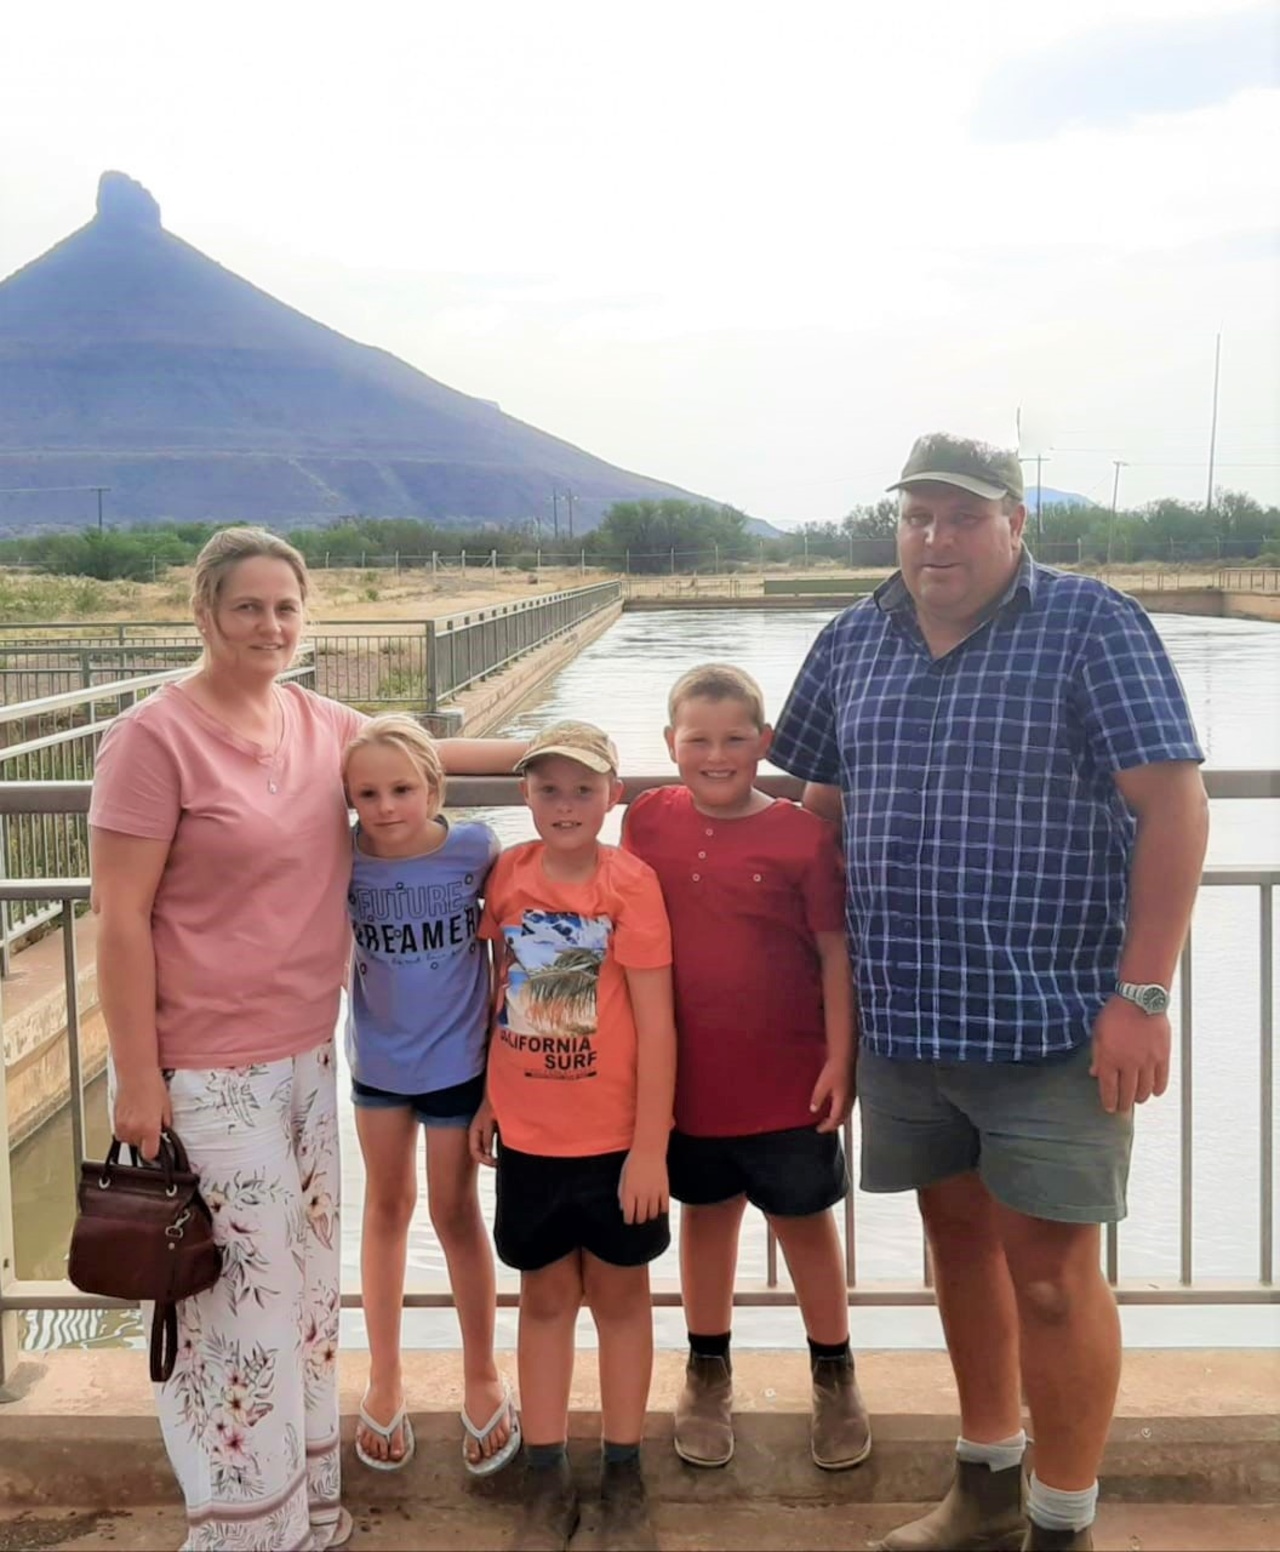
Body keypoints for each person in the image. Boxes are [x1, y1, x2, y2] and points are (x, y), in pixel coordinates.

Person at [769, 434, 1208, 1552]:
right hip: (904, 1020)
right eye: (914, 515)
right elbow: (811, 809)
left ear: (1013, 521)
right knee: (953, 1246)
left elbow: (1172, 805)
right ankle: (985, 1485)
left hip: (1055, 1020)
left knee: (1055, 1278)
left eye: (960, 517)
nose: (933, 538)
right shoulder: (848, 637)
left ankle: (1063, 1523)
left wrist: (1141, 996)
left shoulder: (1091, 625)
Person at [90, 527, 522, 1552]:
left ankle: (303, 1514)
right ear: (203, 613)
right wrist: (138, 1082)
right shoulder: (152, 739)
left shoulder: (323, 726)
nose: (270, 626)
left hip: (307, 1054)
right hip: (199, 1067)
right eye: (247, 607)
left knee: (303, 1295)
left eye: (286, 607)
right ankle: (241, 1530)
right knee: (242, 1299)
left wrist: (595, 775)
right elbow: (117, 917)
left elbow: (418, 764)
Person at [621, 663, 870, 1473]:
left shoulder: (803, 833)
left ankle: (834, 1373)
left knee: (804, 1222)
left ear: (765, 743)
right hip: (687, 1079)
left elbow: (836, 954)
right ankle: (706, 1369)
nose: (716, 754)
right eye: (698, 739)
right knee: (707, 1214)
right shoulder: (648, 820)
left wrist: (843, 1056)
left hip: (790, 1076)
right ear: (670, 745)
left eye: (735, 739)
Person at [469, 720, 676, 1552]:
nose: (565, 804)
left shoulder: (631, 884)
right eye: (548, 788)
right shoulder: (508, 876)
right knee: (545, 1301)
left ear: (612, 798)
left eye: (583, 789)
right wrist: (490, 1097)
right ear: (526, 796)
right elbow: (501, 990)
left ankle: (623, 1472)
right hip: (528, 1137)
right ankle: (546, 1475)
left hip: (614, 1142)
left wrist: (650, 1146)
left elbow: (658, 1027)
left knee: (623, 1302)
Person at [342, 715, 519, 1478]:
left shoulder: (475, 849)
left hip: (457, 1061)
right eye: (368, 793)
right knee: (386, 1207)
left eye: (403, 789)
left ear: (434, 788)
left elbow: (512, 953)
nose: (386, 807)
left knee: (454, 1213)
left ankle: (482, 1372)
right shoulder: (339, 857)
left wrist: (506, 1078)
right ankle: (385, 1373)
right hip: (378, 1061)